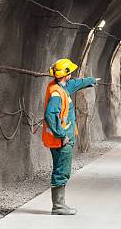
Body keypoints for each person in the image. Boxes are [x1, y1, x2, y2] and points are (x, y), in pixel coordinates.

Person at [42, 58, 97, 215]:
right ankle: (58, 206)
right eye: (70, 72)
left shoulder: (61, 86)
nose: (72, 74)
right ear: (66, 74)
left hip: (63, 138)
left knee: (62, 170)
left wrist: (90, 81)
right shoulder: (57, 94)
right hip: (61, 140)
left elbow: (75, 84)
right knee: (61, 171)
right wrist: (61, 135)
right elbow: (50, 115)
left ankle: (59, 205)